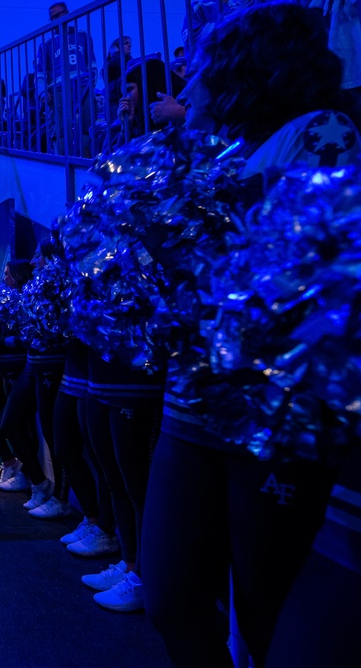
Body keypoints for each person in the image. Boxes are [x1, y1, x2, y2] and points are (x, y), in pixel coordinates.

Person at [140, 5, 361, 665]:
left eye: (199, 73)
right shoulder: (210, 154)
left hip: (271, 418)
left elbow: (308, 271)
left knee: (264, 617)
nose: (186, 91)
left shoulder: (321, 131)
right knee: (171, 597)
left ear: (243, 70)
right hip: (192, 403)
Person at [0, 261, 52, 502]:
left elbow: (34, 336)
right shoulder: (1, 299)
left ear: (18, 277)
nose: (4, 278)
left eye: (8, 274)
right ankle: (12, 463)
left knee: (19, 425)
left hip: (21, 367)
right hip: (2, 366)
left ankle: (36, 481)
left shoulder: (29, 300)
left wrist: (1, 341)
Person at [35, 2, 97, 156]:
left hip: (82, 87)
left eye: (59, 15)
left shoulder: (82, 36)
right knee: (60, 129)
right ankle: (63, 163)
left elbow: (92, 64)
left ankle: (84, 161)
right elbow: (40, 74)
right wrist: (43, 93)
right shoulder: (46, 44)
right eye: (52, 17)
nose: (56, 19)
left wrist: (91, 84)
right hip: (57, 91)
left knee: (86, 125)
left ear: (67, 13)